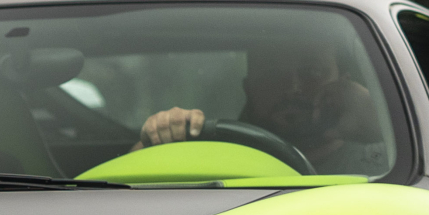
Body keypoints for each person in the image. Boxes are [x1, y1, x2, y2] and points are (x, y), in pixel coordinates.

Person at [138, 40, 391, 174]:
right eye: (272, 74)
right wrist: (163, 135)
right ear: (249, 89)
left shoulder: (397, 156)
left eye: (312, 72)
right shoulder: (211, 155)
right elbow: (125, 185)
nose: (292, 87)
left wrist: (385, 120)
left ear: (344, 84)